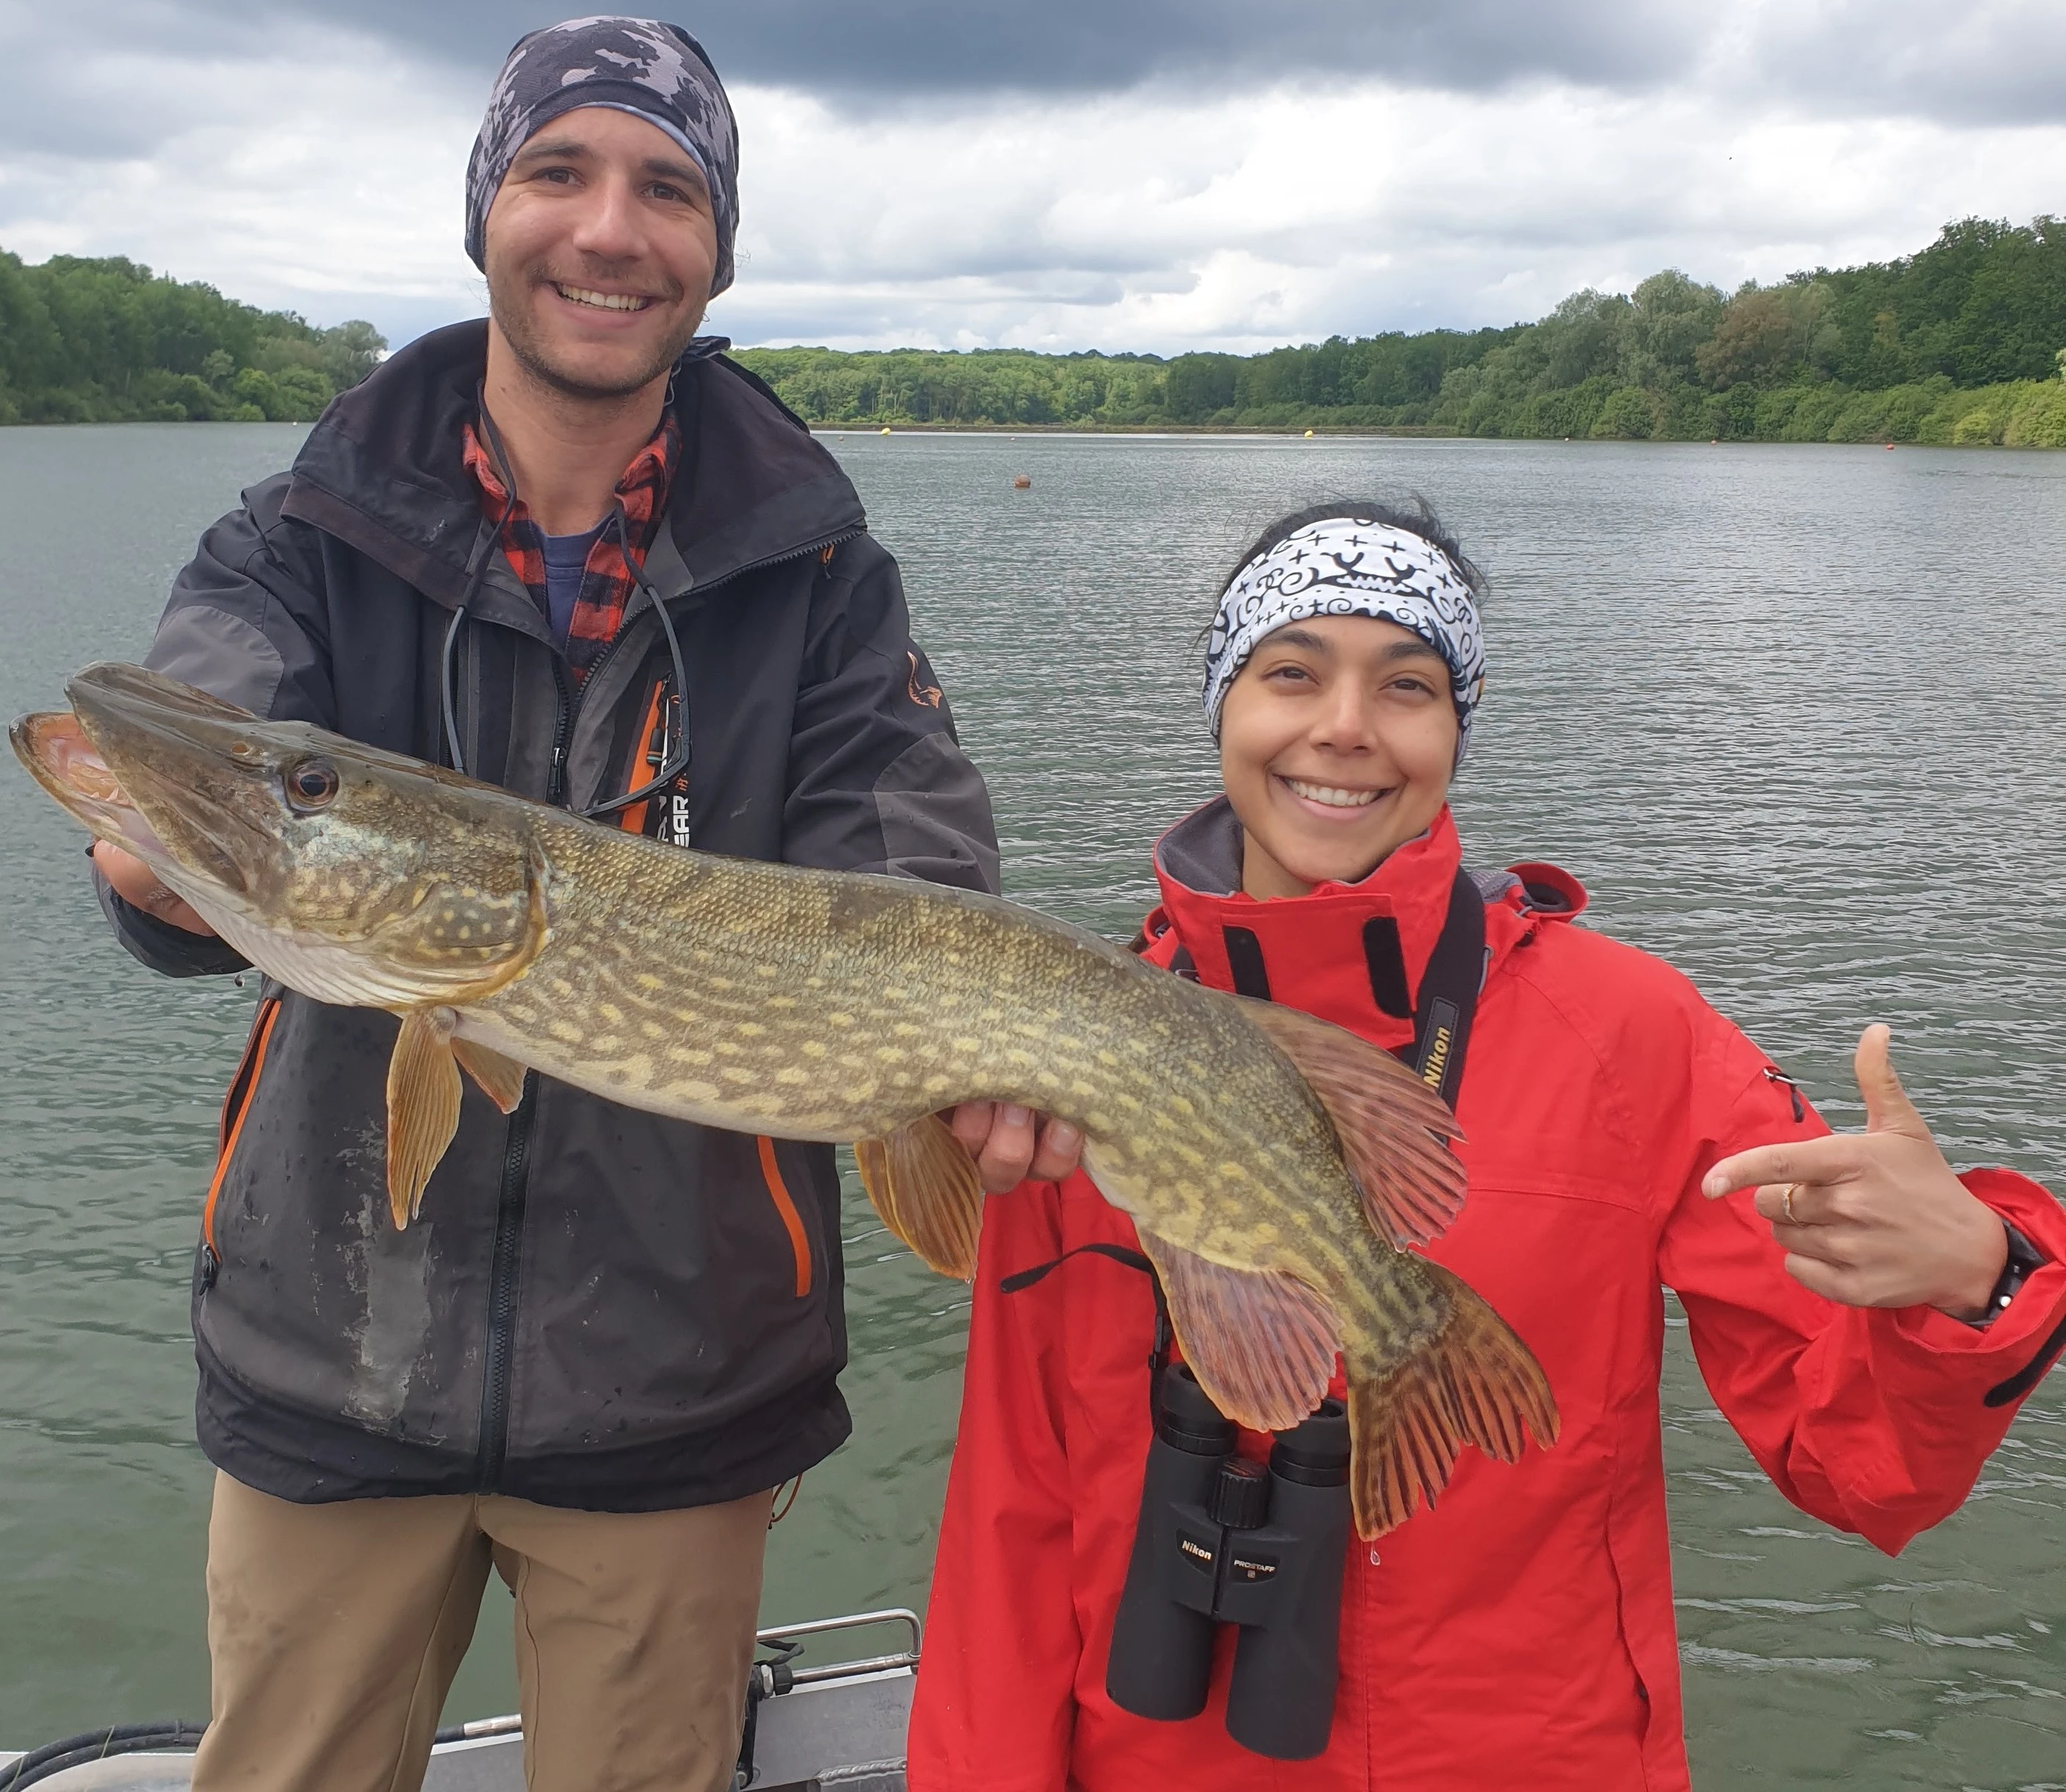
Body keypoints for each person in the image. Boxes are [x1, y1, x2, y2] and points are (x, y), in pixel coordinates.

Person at [85, 19, 1026, 1792]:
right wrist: (176, 853)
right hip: (326, 1356)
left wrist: (964, 1062)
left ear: (715, 250)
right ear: (485, 215)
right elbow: (201, 731)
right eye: (557, 172)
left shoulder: (817, 573)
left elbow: (914, 869)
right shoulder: (303, 527)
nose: (609, 229)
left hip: (679, 1389)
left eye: (667, 188)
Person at [906, 502, 2066, 1792]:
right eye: (1291, 671)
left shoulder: (1635, 1035)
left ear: (1456, 729)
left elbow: (1859, 1469)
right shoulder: (1065, 1049)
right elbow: (1011, 1511)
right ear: (1224, 705)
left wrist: (1978, 1282)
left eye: (1406, 686)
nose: (1345, 726)